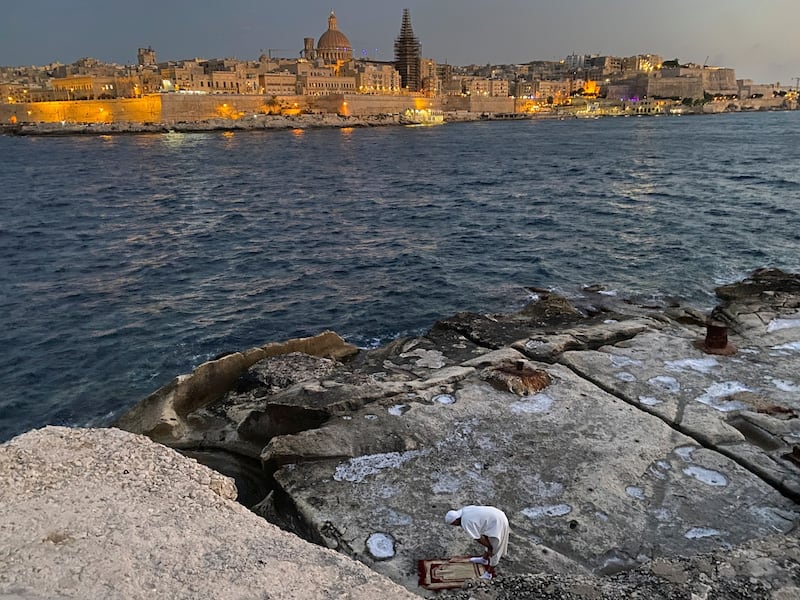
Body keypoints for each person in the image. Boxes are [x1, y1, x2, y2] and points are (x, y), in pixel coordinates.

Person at [445, 505, 509, 580]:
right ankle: (484, 559)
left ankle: (489, 574)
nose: (455, 526)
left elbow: (478, 538)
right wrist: (488, 545)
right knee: (488, 540)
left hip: (498, 523)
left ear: (455, 520)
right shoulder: (464, 510)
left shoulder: (466, 522)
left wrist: (490, 548)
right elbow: (481, 531)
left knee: (495, 550)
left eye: (453, 524)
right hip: (493, 517)